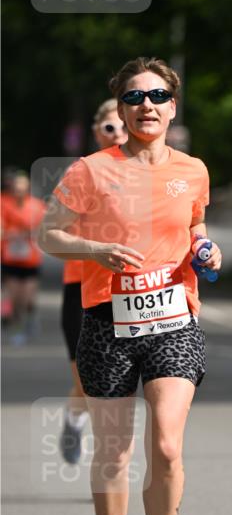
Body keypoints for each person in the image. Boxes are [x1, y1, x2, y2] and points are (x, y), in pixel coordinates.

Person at [40, 56, 221, 515]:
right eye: (136, 97)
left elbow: (195, 227)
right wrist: (97, 251)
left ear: (174, 106)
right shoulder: (91, 170)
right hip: (107, 322)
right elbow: (48, 234)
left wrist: (205, 249)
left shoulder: (193, 169)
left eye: (159, 96)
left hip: (173, 319)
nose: (148, 106)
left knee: (167, 446)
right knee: (114, 453)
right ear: (121, 107)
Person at [60, 99, 128, 464]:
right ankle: (73, 419)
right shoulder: (81, 173)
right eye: (109, 128)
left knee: (119, 387)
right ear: (96, 131)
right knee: (87, 385)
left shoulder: (147, 172)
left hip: (132, 292)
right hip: (82, 289)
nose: (118, 133)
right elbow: (55, 235)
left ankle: (111, 459)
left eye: (123, 126)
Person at [1, 170, 46, 345]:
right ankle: (16, 326)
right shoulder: (3, 202)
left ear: (27, 187)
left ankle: (29, 319)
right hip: (10, 258)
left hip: (31, 259)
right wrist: (13, 234)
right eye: (15, 186)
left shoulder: (37, 205)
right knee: (14, 298)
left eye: (22, 186)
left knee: (28, 297)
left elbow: (44, 228)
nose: (18, 189)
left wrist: (35, 234)